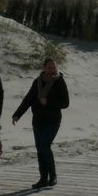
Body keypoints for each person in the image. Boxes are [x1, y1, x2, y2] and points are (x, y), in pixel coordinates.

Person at [11, 57, 69, 189]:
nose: (52, 69)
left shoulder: (59, 82)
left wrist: (48, 102)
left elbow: (65, 103)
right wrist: (17, 114)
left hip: (53, 120)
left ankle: (52, 175)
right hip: (38, 120)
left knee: (44, 145)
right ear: (44, 68)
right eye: (49, 67)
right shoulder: (37, 82)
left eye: (54, 67)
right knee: (40, 148)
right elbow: (28, 99)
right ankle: (43, 178)